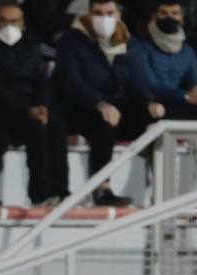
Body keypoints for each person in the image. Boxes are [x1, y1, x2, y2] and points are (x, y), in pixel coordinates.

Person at [0, 1, 70, 205]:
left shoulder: (32, 45)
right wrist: (29, 110)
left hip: (30, 108)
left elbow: (41, 81)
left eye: (14, 21)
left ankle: (60, 189)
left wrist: (42, 106)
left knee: (57, 127)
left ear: (22, 23)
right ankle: (39, 193)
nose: (9, 26)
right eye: (4, 21)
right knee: (32, 129)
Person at [53, 0, 146, 207]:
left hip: (116, 108)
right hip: (79, 108)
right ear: (88, 13)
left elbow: (139, 83)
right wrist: (99, 104)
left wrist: (150, 105)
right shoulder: (72, 40)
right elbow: (72, 82)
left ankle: (159, 189)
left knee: (152, 120)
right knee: (103, 124)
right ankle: (102, 189)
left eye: (109, 12)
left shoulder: (129, 43)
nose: (104, 18)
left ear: (119, 14)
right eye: (98, 13)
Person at [129, 0, 197, 120]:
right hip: (148, 105)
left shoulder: (187, 51)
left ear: (182, 18)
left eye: (175, 13)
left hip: (179, 105)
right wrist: (185, 96)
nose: (170, 17)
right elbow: (147, 85)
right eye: (164, 13)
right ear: (154, 17)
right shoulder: (139, 46)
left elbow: (195, 83)